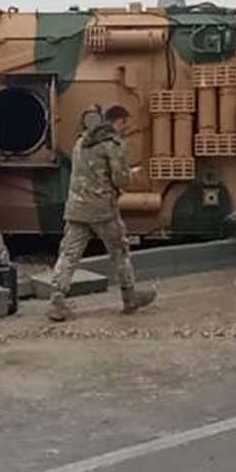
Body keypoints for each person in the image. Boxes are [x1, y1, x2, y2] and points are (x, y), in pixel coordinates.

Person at [48, 105, 156, 321]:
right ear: (121, 121)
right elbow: (120, 179)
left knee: (69, 254)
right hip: (102, 210)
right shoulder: (113, 144)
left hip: (77, 208)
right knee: (119, 252)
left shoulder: (81, 142)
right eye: (127, 124)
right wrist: (131, 175)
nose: (127, 129)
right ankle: (129, 297)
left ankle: (57, 300)